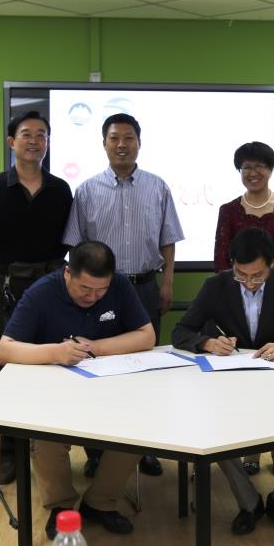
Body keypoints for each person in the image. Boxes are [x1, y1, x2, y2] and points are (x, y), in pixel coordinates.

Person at [0, 241, 156, 540]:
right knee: (45, 436)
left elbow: (147, 336)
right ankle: (61, 506)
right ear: (67, 273)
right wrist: (55, 352)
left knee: (139, 427)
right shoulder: (41, 293)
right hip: (54, 394)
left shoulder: (120, 286)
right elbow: (4, 350)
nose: (92, 297)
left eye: (101, 290)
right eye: (85, 288)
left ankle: (100, 502)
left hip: (110, 390)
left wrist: (95, 347)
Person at [172, 227, 274, 536]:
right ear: (232, 265)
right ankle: (249, 503)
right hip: (230, 387)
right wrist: (208, 343)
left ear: (273, 262)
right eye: (241, 275)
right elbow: (181, 331)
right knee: (213, 428)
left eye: (257, 275)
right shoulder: (216, 286)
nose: (250, 283)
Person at [63, 112, 183, 477]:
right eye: (114, 138)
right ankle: (97, 451)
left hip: (145, 286)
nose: (121, 144)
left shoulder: (158, 187)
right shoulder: (86, 191)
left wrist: (167, 283)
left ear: (139, 143)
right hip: (101, 292)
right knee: (97, 369)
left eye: (128, 138)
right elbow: (75, 246)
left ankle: (145, 449)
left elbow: (168, 240)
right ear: (104, 143)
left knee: (144, 370)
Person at [0, 110, 72, 484]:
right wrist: (3, 275)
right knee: (8, 369)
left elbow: (67, 238)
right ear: (12, 142)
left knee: (54, 365)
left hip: (51, 284)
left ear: (48, 143)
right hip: (6, 285)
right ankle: (10, 454)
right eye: (26, 134)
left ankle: (50, 449)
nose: (34, 140)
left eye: (41, 134)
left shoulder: (60, 189)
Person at [214, 141, 274, 477]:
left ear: (270, 169)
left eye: (259, 166)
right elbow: (221, 259)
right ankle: (250, 447)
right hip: (240, 305)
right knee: (244, 384)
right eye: (246, 167)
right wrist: (243, 289)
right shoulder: (229, 210)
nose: (253, 173)